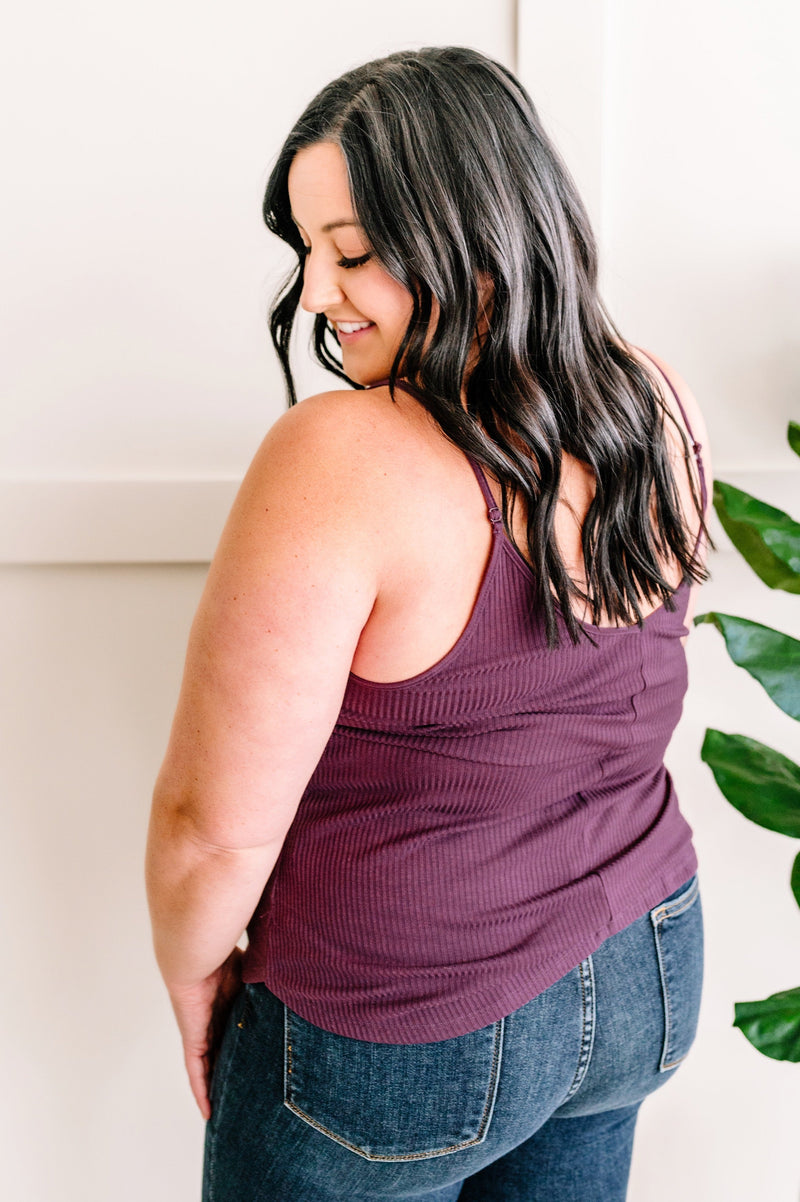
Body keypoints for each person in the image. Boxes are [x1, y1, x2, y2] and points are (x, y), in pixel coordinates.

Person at [145, 45, 715, 1201]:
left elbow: (213, 827)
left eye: (350, 252)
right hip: (646, 966)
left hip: (404, 1023)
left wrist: (191, 977)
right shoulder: (651, 397)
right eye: (306, 252)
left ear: (474, 232)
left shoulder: (340, 456)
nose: (313, 293)